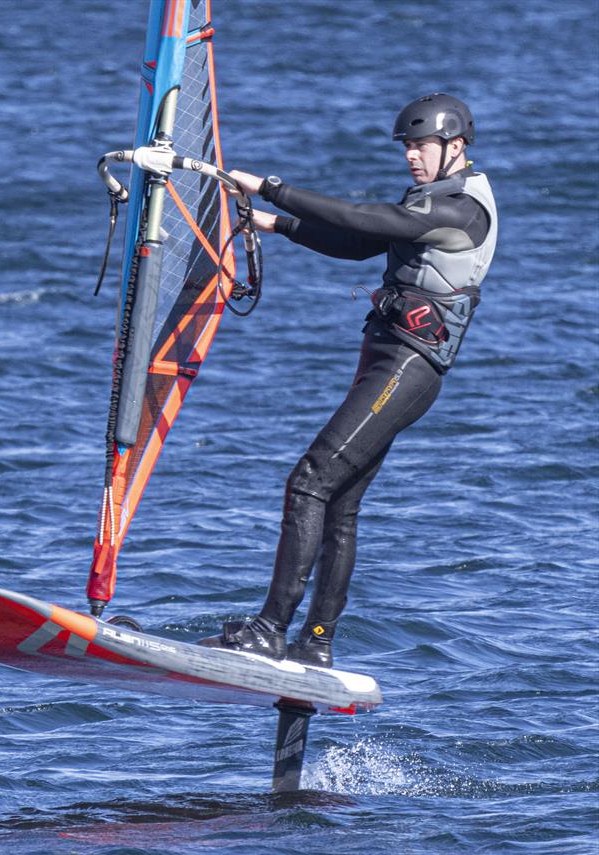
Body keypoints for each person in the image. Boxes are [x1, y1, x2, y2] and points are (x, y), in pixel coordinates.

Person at [200, 93, 498, 667]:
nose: (412, 156)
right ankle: (316, 645)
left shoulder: (462, 209)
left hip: (406, 367)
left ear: (455, 147)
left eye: (423, 146)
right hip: (386, 358)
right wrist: (276, 224)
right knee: (338, 504)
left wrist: (271, 187)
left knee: (309, 480)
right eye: (407, 147)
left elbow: (371, 219)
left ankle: (270, 628)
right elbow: (359, 243)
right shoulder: (429, 200)